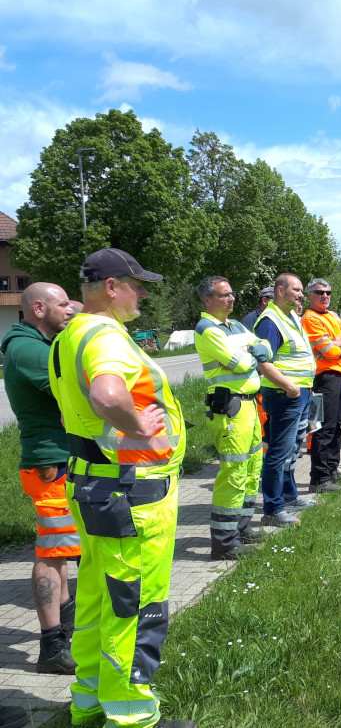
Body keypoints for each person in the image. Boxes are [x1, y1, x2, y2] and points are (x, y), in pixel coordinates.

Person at [48, 248, 195, 728]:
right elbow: (107, 394)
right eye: (137, 284)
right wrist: (138, 429)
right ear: (111, 287)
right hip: (132, 495)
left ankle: (88, 705)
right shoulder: (105, 334)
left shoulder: (69, 335)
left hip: (94, 486)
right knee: (135, 602)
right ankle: (132, 717)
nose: (144, 294)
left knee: (96, 598)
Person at [1, 282, 80, 674]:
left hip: (60, 460)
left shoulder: (39, 343)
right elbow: (75, 391)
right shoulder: (28, 350)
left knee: (62, 550)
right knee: (52, 553)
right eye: (62, 304)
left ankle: (66, 632)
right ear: (37, 308)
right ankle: (51, 648)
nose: (70, 309)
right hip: (49, 465)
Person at [195, 276, 300, 559]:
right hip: (230, 408)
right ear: (207, 300)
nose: (231, 299)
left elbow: (265, 348)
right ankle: (224, 542)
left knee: (252, 467)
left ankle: (241, 528)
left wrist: (252, 351)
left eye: (232, 294)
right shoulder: (207, 329)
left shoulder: (237, 325)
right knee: (234, 473)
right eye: (224, 295)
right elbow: (243, 362)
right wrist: (252, 353)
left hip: (249, 406)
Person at [253, 273, 317, 525]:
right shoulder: (269, 321)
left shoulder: (290, 316)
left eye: (301, 290)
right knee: (278, 453)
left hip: (300, 392)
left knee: (292, 449)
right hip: (285, 395)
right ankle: (273, 509)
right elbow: (262, 362)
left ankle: (290, 496)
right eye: (297, 289)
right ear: (280, 291)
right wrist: (289, 387)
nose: (301, 294)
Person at [301, 278, 341, 492]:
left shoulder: (332, 315)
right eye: (320, 292)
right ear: (310, 295)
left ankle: (332, 469)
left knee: (338, 425)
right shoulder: (310, 318)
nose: (325, 296)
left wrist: (337, 343)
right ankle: (319, 479)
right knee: (323, 427)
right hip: (324, 377)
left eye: (328, 292)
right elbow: (329, 352)